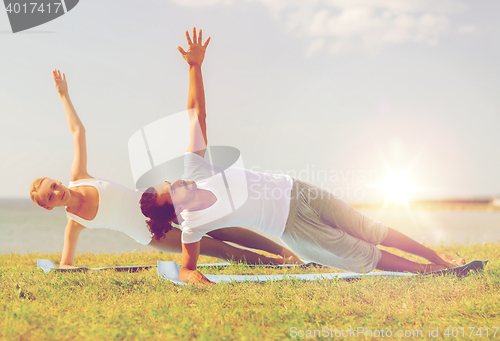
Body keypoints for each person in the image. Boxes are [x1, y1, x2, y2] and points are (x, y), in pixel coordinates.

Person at [140, 28, 467, 285]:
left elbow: (196, 114)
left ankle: (436, 256)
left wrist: (195, 67)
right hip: (292, 226)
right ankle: (425, 271)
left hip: (297, 190)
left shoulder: (194, 170)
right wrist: (194, 278)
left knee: (371, 228)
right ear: (178, 207)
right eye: (174, 188)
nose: (179, 180)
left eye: (171, 180)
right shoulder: (193, 226)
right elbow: (185, 267)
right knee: (361, 254)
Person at [29, 68, 302, 268]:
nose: (56, 192)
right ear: (48, 207)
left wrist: (63, 94)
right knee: (214, 248)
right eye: (49, 197)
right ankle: (277, 265)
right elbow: (66, 265)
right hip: (148, 233)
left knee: (223, 227)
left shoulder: (78, 178)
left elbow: (78, 131)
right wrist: (62, 267)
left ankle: (286, 253)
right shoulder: (74, 223)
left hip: (157, 200)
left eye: (52, 185)